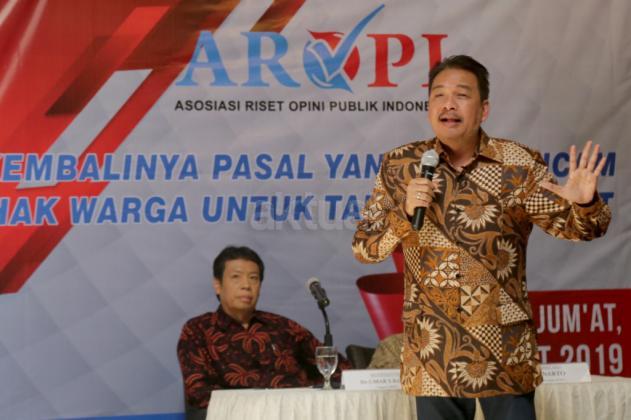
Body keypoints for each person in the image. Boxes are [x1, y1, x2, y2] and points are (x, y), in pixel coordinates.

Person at [352, 55, 611, 420]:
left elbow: (580, 229)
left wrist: (584, 204)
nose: (448, 104)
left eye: (461, 95)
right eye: (439, 95)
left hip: (504, 348)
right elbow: (365, 247)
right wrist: (404, 214)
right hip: (434, 349)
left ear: (484, 109)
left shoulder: (517, 164)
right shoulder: (401, 165)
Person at [177, 245, 350, 419]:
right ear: (218, 285)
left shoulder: (283, 327)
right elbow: (199, 393)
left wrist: (310, 397)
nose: (246, 285)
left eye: (254, 278)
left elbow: (338, 369)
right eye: (236, 277)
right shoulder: (197, 330)